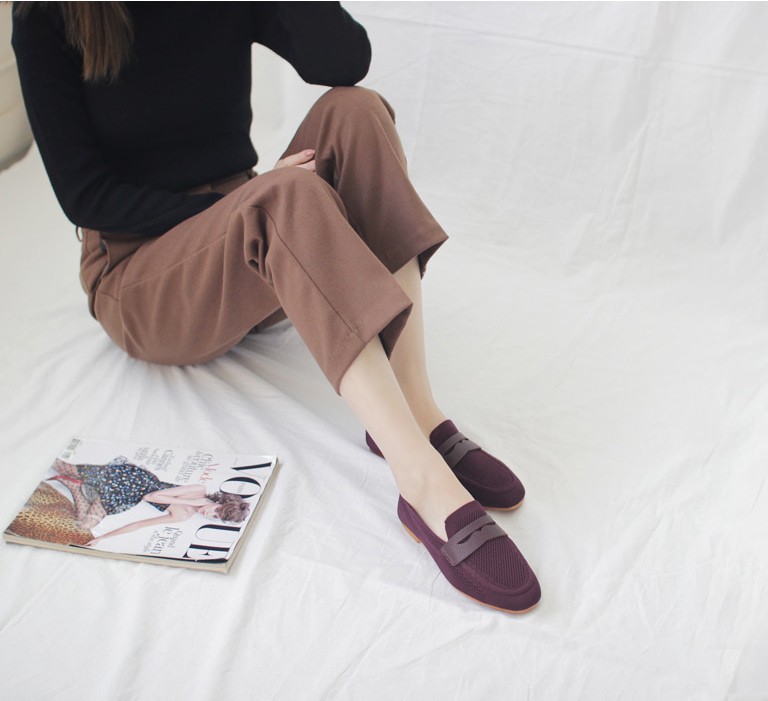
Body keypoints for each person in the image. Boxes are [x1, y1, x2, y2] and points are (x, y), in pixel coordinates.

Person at [12, 2, 540, 613]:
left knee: (356, 111)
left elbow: (344, 60)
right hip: (141, 280)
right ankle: (418, 476)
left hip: (258, 248)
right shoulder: (49, 13)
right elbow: (87, 196)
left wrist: (251, 201)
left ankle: (418, 412)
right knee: (282, 195)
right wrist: (242, 205)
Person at [48, 456, 250, 547]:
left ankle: (74, 486)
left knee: (84, 525)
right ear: (219, 501)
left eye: (215, 517)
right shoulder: (199, 490)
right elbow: (151, 497)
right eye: (215, 510)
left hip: (125, 496)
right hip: (134, 480)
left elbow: (138, 525)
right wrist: (196, 501)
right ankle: (75, 478)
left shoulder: (183, 515)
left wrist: (102, 538)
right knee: (61, 466)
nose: (209, 514)